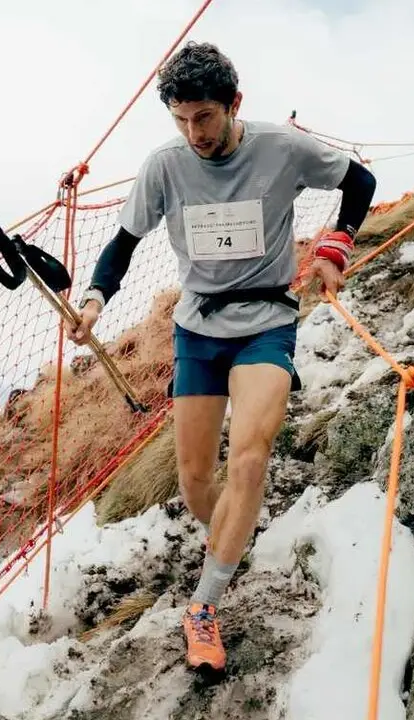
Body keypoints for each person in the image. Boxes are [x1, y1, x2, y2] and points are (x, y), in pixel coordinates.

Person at [67, 41, 376, 677]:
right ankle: (236, 535)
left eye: (204, 116)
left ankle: (204, 605)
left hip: (266, 321)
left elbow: (360, 182)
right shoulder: (166, 166)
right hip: (198, 329)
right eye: (180, 120)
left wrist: (335, 248)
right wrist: (95, 301)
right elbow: (123, 243)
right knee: (194, 481)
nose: (193, 133)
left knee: (251, 456)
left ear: (234, 104)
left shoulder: (280, 148)